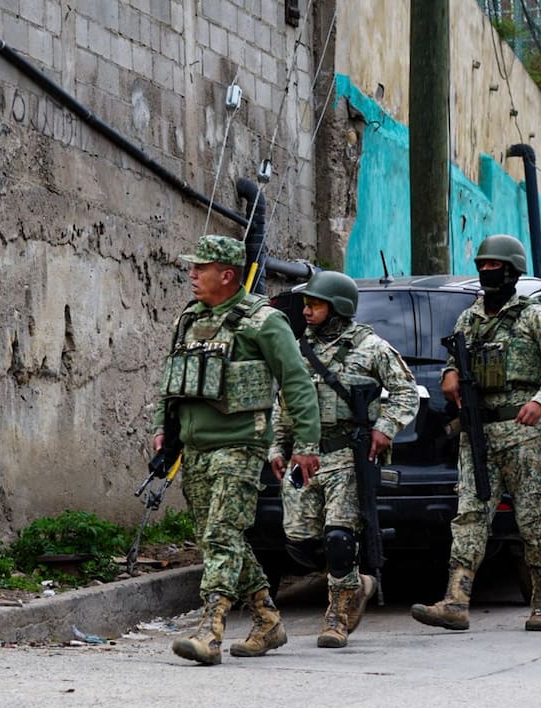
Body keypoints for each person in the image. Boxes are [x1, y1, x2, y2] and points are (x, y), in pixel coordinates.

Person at [153, 234, 320, 665]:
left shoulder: (264, 321)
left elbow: (297, 382)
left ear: (227, 275)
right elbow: (172, 380)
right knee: (216, 539)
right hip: (195, 448)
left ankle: (209, 631)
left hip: (240, 446)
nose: (192, 274)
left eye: (201, 268)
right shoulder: (189, 318)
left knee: (222, 534)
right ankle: (267, 619)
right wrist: (162, 429)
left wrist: (306, 443)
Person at [411, 234, 541, 632]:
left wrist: (540, 401)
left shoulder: (533, 316)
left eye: (494, 266)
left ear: (512, 271)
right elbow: (455, 358)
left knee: (531, 519)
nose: (487, 272)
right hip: (478, 433)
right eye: (482, 266)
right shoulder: (469, 318)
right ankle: (456, 601)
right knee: (469, 516)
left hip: (522, 433)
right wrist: (450, 374)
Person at [269, 271, 418, 648]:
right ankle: (356, 582)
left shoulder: (370, 347)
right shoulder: (298, 348)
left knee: (339, 537)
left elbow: (406, 391)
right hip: (304, 457)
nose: (307, 311)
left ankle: (337, 614)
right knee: (300, 542)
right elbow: (284, 402)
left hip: (347, 456)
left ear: (338, 308)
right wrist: (277, 446)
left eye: (315, 305)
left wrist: (385, 427)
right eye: (305, 304)